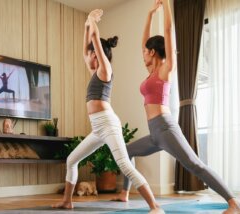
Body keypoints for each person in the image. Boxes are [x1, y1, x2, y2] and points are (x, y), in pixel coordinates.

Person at [112, 1, 240, 213]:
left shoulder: (165, 70)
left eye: (146, 51)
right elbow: (144, 41)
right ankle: (125, 193)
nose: (142, 53)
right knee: (126, 152)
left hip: (165, 128)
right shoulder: (151, 73)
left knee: (195, 165)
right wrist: (149, 14)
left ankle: (233, 203)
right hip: (155, 132)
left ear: (153, 52)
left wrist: (166, 8)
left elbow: (168, 30)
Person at [52, 9, 164, 214]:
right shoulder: (94, 71)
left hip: (108, 123)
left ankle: (155, 206)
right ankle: (67, 201)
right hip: (97, 128)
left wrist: (92, 22)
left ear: (99, 54)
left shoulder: (105, 70)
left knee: (125, 165)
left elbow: (94, 41)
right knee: (72, 160)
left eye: (92, 53)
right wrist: (87, 24)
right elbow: (86, 46)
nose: (88, 56)